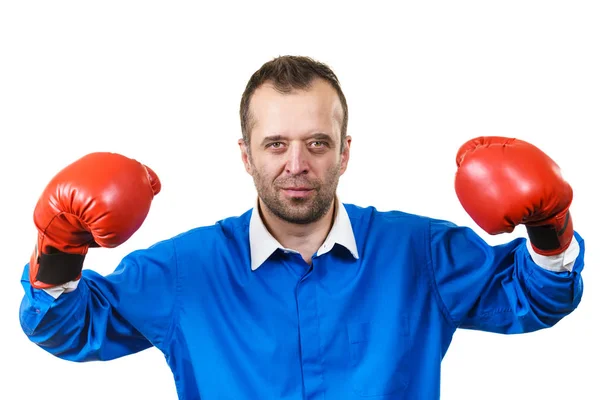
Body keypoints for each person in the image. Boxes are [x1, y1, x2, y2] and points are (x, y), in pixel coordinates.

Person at [19, 55, 585, 400]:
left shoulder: (420, 254)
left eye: (317, 142)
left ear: (344, 152)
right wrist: (61, 245)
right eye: (275, 144)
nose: (297, 164)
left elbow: (537, 298)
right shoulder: (184, 271)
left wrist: (550, 229)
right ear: (246, 156)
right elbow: (67, 327)